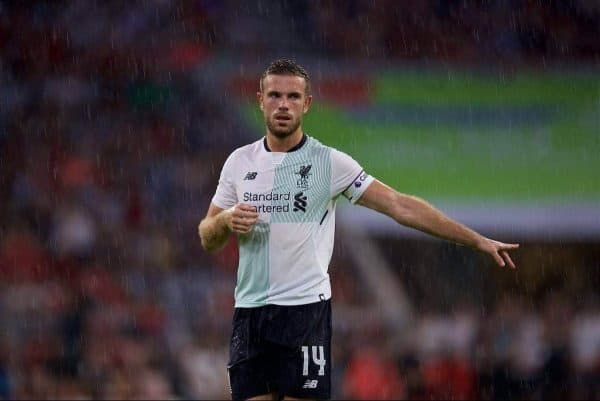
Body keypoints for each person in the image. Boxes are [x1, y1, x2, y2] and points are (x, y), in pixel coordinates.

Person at [198, 59, 519, 401]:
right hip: (251, 314)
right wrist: (225, 220)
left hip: (305, 312)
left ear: (306, 104)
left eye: (293, 97)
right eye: (275, 95)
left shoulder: (329, 162)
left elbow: (400, 205)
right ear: (260, 99)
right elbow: (208, 237)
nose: (283, 105)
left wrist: (475, 239)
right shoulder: (239, 162)